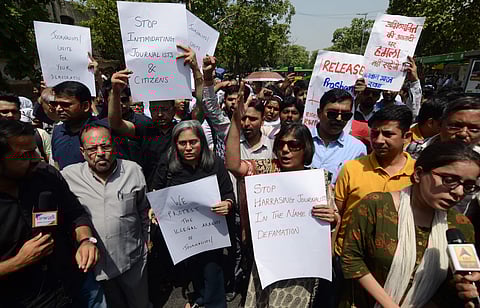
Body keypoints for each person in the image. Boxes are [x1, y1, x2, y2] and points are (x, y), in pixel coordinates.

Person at [226, 83, 337, 307]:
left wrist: (333, 219)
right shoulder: (266, 169)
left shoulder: (319, 181)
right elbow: (233, 164)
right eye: (281, 145)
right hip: (268, 261)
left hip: (301, 267)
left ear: (305, 149)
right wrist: (236, 121)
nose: (286, 150)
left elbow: (333, 224)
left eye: (294, 145)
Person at [339, 141, 480, 308]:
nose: (459, 192)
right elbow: (351, 259)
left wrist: (465, 288)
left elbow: (446, 287)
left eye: (468, 186)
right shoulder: (376, 206)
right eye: (449, 180)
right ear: (419, 174)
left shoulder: (460, 225)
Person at [0, 119, 102, 307]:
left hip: (75, 286)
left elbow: (76, 214)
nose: (36, 159)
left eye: (35, 150)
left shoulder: (45, 175)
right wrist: (17, 262)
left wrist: (85, 241)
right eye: (26, 155)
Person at [61, 121, 150, 308]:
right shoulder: (69, 176)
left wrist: (147, 241)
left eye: (105, 146)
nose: (100, 153)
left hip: (132, 260)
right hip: (95, 268)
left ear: (114, 146)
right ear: (82, 152)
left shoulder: (133, 170)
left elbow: (144, 210)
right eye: (92, 148)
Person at [150, 120, 235, 308]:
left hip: (210, 232)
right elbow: (156, 190)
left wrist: (227, 204)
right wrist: (155, 209)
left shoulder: (214, 163)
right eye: (182, 143)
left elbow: (228, 193)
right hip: (182, 235)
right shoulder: (167, 164)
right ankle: (198, 299)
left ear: (202, 142)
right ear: (175, 144)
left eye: (193, 142)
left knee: (212, 270)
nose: (188, 147)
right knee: (191, 270)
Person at [335, 105, 415, 257]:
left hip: (396, 260)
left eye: (387, 134)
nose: (378, 140)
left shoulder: (418, 174)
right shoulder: (351, 168)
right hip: (347, 257)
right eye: (374, 133)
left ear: (407, 137)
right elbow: (337, 215)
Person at [50, 81, 129, 169]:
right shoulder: (57, 131)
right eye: (55, 104)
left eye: (65, 104)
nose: (58, 109)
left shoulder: (106, 129)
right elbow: (57, 164)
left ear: (85, 106)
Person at [310, 88, 366, 182]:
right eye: (332, 114)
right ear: (319, 113)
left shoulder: (357, 149)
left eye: (345, 115)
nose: (339, 118)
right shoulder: (300, 140)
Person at [407, 96, 480, 160]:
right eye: (455, 126)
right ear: (440, 125)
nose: (463, 133)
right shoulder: (413, 149)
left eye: (474, 129)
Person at [0, 92, 51, 162]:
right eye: (4, 112)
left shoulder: (39, 135)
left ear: (20, 114)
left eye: (14, 111)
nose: (10, 115)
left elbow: (51, 162)